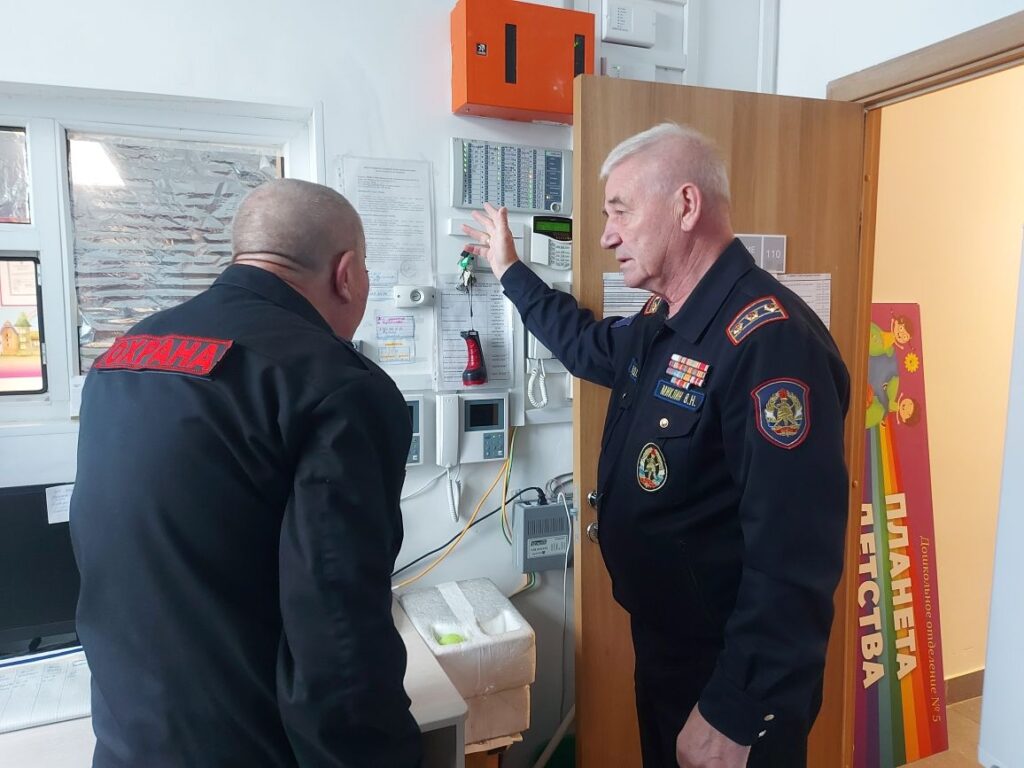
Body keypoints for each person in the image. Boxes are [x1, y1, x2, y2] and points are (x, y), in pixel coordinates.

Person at [464, 123, 850, 768]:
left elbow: (794, 556)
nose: (606, 235)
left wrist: (736, 710)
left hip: (731, 673)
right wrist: (510, 271)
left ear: (686, 206)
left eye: (621, 211)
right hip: (671, 648)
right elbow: (585, 345)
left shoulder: (770, 342)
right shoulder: (666, 318)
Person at [70, 179, 421, 767]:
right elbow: (337, 634)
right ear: (347, 274)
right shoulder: (338, 386)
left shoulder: (126, 353)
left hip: (130, 740)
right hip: (252, 746)